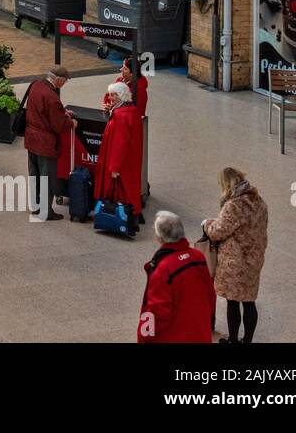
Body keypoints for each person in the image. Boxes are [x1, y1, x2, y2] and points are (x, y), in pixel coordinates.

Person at [202, 168, 269, 344]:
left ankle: (232, 340)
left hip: (235, 261)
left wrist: (207, 223)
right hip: (254, 259)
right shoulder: (259, 202)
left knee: (233, 302)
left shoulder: (234, 206)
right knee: (249, 301)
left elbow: (217, 232)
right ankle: (247, 340)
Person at [137, 211, 215, 343]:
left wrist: (144, 337)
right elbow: (210, 294)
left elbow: (156, 313)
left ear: (160, 237)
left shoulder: (163, 270)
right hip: (200, 333)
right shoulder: (198, 256)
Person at [23, 65, 75, 220]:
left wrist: (62, 113)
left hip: (31, 138)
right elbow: (58, 125)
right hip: (45, 143)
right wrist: (71, 123)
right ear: (58, 79)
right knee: (46, 177)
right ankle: (46, 212)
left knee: (34, 174)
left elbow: (41, 110)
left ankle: (35, 206)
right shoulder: (52, 98)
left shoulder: (36, 85)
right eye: (64, 81)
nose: (64, 84)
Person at [94, 81, 145, 224]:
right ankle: (136, 213)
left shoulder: (120, 116)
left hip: (119, 160)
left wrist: (114, 167)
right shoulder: (131, 110)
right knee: (131, 187)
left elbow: (119, 143)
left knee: (121, 190)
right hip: (130, 158)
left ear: (121, 95)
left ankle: (122, 219)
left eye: (113, 95)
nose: (110, 97)